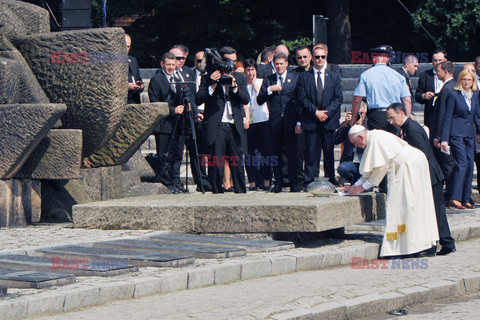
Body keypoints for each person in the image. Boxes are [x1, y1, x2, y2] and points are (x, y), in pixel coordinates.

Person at [345, 126, 439, 258]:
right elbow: (368, 171)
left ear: (361, 137)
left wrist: (362, 187)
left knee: (404, 207)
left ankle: (410, 247)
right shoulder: (373, 138)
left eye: (355, 143)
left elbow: (379, 169)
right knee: (414, 206)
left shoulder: (376, 139)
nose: (357, 146)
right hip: (412, 164)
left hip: (407, 167)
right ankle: (420, 245)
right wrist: (353, 186)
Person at [387, 103, 456, 256]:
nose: (391, 121)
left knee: (435, 211)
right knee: (432, 211)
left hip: (430, 175)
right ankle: (439, 243)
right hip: (428, 175)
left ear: (402, 113)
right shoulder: (407, 127)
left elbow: (422, 154)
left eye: (392, 117)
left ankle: (444, 243)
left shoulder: (411, 128)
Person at [195, 46, 250, 194]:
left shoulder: (239, 77)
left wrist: (234, 88)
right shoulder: (209, 77)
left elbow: (246, 99)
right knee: (217, 164)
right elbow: (198, 99)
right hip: (217, 125)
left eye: (234, 61)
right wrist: (212, 86)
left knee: (237, 163)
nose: (230, 65)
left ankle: (240, 192)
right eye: (228, 61)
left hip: (234, 125)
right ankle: (216, 193)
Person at [148, 52, 202, 193]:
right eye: (168, 65)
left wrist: (191, 109)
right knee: (165, 155)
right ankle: (167, 183)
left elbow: (188, 96)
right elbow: (155, 104)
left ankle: (177, 182)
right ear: (162, 64)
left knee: (178, 155)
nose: (171, 67)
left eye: (173, 65)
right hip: (164, 125)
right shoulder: (156, 80)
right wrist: (173, 110)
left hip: (179, 124)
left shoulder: (179, 78)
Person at [296, 45, 343, 186]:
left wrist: (326, 113)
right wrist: (316, 112)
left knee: (328, 153)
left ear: (326, 57)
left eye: (323, 56)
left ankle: (330, 179)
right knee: (311, 153)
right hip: (311, 120)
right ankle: (308, 180)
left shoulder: (334, 76)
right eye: (317, 57)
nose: (320, 59)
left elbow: (338, 98)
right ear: (312, 58)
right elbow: (302, 98)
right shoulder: (304, 77)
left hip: (328, 121)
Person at [257, 52, 301, 193]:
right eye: (276, 64)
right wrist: (269, 90)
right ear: (273, 65)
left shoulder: (295, 78)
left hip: (291, 121)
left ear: (287, 64)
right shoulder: (269, 80)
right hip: (274, 122)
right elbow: (259, 100)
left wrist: (299, 121)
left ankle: (294, 182)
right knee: (275, 154)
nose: (279, 66)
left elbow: (300, 100)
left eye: (282, 63)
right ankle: (278, 182)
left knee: (292, 153)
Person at [441, 69, 480, 209]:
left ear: (473, 82)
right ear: (460, 81)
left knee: (470, 165)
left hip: (470, 135)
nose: (466, 82)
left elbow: (476, 115)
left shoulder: (474, 96)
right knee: (462, 164)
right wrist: (444, 139)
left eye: (469, 80)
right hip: (456, 134)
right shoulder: (454, 95)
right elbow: (447, 117)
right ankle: (455, 197)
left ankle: (465, 197)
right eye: (464, 79)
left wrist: (479, 132)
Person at [350, 45, 411, 131]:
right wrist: (406, 119)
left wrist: (353, 119)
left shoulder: (366, 75)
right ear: (387, 59)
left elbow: (357, 99)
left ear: (374, 58)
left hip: (376, 116)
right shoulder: (398, 76)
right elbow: (407, 100)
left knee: (377, 142)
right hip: (396, 114)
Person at [244, 58, 272, 191]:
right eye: (248, 70)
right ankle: (253, 181)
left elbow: (261, 97)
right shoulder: (242, 84)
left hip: (263, 120)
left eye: (252, 70)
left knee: (266, 152)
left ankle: (266, 180)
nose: (250, 73)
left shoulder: (262, 82)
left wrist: (255, 82)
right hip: (250, 121)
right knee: (250, 153)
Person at [431, 61, 456, 200]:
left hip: (445, 134)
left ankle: (451, 194)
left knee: (447, 164)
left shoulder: (447, 89)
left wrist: (438, 136)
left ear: (445, 72)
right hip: (452, 132)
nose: (436, 73)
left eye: (438, 71)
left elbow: (442, 114)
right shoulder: (454, 86)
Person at [415, 49, 448, 130]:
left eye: (440, 60)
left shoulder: (452, 74)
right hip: (432, 114)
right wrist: (424, 95)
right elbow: (417, 95)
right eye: (435, 60)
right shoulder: (425, 75)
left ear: (445, 60)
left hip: (447, 111)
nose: (438, 63)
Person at [334, 102, 367, 184]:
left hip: (364, 163)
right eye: (356, 113)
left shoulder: (369, 125)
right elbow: (335, 140)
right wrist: (346, 124)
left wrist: (361, 126)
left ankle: (361, 182)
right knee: (342, 168)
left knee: (366, 190)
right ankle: (354, 182)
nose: (358, 116)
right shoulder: (348, 126)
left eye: (361, 113)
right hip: (351, 161)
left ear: (365, 114)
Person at [125, 34, 144, 104]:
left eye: (128, 46)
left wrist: (141, 85)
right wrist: (126, 86)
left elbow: (138, 78)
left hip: (135, 100)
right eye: (125, 46)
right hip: (124, 101)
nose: (126, 49)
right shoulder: (113, 61)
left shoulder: (133, 60)